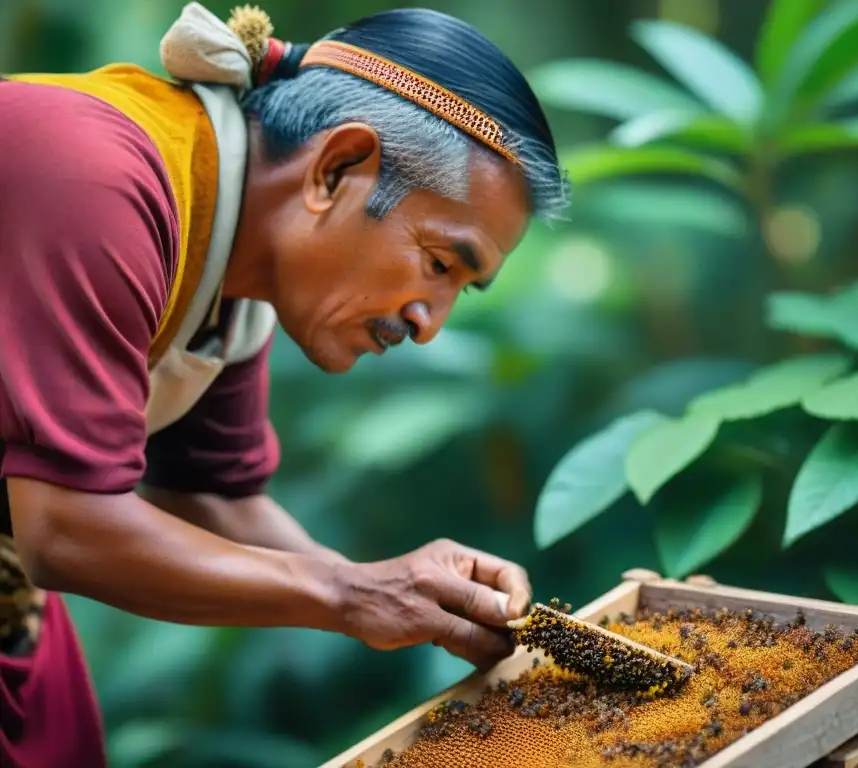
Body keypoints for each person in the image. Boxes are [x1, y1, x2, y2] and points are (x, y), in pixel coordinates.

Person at [0, 3, 570, 765]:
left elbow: (209, 495)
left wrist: (383, 590)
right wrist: (348, 597)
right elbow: (66, 529)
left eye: (460, 289)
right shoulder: (98, 180)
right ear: (335, 169)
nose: (429, 322)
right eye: (439, 263)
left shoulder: (233, 264)